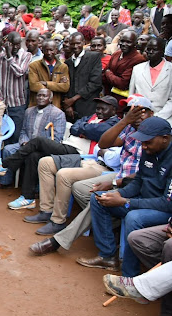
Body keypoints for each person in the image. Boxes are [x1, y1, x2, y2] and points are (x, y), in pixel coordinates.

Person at [29, 95, 151, 257]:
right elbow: (103, 143)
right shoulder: (128, 128)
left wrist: (115, 182)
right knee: (81, 189)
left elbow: (146, 173)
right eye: (130, 111)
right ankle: (105, 223)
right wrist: (125, 121)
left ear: (151, 113)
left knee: (98, 200)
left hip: (132, 183)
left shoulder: (156, 135)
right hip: (120, 176)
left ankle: (59, 240)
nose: (135, 115)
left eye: (140, 111)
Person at [77, 117, 172, 276]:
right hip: (142, 201)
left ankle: (130, 275)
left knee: (134, 218)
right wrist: (118, 194)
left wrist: (126, 202)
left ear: (165, 139)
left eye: (147, 142)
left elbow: (167, 204)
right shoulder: (149, 150)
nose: (143, 146)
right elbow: (138, 181)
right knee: (100, 199)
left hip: (163, 210)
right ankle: (107, 256)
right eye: (142, 142)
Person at [0, 96, 119, 208]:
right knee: (33, 155)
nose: (99, 111)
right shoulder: (92, 117)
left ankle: (4, 164)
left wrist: (85, 129)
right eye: (98, 108)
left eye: (103, 108)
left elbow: (93, 131)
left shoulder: (114, 124)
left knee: (38, 141)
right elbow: (74, 128)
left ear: (114, 110)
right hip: (67, 146)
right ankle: (28, 198)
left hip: (78, 154)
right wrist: (86, 129)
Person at [0, 89, 66, 187]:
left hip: (43, 148)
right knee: (8, 149)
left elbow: (56, 138)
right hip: (26, 144)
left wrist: (36, 146)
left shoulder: (58, 114)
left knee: (33, 156)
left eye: (44, 96)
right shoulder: (29, 111)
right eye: (39, 95)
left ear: (50, 99)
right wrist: (24, 142)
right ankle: (5, 181)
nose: (41, 98)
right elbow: (23, 131)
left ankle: (35, 188)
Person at [0, 31, 32, 145]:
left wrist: (9, 56)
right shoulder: (0, 57)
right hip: (2, 104)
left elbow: (19, 72)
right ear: (7, 43)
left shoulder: (26, 56)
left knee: (15, 136)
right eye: (12, 44)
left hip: (18, 104)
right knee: (2, 136)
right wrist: (0, 99)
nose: (15, 47)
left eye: (18, 44)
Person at [63, 32, 104, 122]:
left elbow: (95, 83)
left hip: (88, 105)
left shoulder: (94, 57)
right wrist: (68, 104)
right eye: (72, 44)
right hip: (71, 109)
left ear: (84, 43)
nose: (75, 46)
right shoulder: (67, 62)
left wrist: (73, 99)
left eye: (78, 43)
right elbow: (65, 84)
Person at [130, 38, 172, 123]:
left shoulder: (170, 69)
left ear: (162, 51)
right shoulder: (137, 69)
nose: (150, 52)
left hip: (165, 118)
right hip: (139, 117)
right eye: (148, 49)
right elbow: (132, 95)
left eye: (154, 49)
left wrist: (157, 117)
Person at [103, 31, 146, 100]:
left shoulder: (138, 59)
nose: (123, 44)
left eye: (128, 42)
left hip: (122, 99)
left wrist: (108, 73)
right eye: (122, 41)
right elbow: (104, 74)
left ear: (135, 43)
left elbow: (122, 83)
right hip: (108, 94)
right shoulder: (116, 54)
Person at [27, 39, 69, 109]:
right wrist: (57, 86)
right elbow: (34, 86)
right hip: (37, 106)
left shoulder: (63, 66)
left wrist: (46, 83)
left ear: (56, 50)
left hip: (55, 106)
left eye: (51, 50)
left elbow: (65, 87)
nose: (49, 53)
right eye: (46, 50)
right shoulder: (34, 65)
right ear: (42, 50)